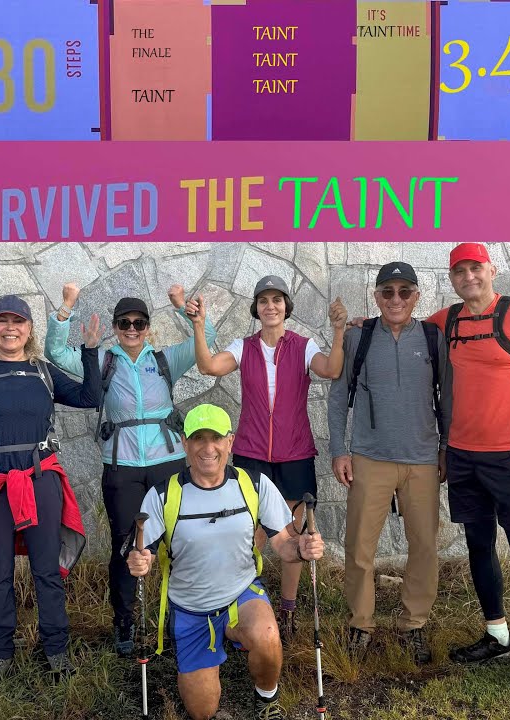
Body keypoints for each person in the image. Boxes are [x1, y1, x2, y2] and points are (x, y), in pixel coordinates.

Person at [426, 242, 510, 696]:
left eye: (476, 268)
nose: (468, 277)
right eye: (459, 271)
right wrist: (361, 326)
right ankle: (498, 637)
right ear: (452, 278)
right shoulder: (447, 321)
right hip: (463, 456)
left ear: (492, 270)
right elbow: (403, 328)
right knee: (479, 547)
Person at [45, 281, 215, 657]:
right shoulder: (103, 361)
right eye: (125, 323)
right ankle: (124, 622)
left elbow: (208, 339)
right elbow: (54, 352)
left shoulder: (165, 360)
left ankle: (184, 617)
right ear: (116, 327)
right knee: (126, 545)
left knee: (179, 540)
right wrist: (66, 307)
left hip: (168, 463)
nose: (132, 329)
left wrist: (182, 306)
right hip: (122, 467)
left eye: (139, 323)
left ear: (148, 327)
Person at [127, 404, 326, 720]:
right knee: (202, 710)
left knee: (267, 636)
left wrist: (302, 548)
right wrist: (140, 562)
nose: (208, 448)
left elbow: (283, 545)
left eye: (216, 438)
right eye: (199, 438)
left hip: (240, 594)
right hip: (191, 608)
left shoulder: (254, 484)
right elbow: (142, 553)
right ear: (185, 443)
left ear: (230, 442)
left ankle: (266, 699)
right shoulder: (163, 495)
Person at [0, 294, 100, 679]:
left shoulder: (43, 372)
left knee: (46, 570)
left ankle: (56, 652)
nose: (10, 328)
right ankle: (0, 654)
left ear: (29, 330)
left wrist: (91, 351)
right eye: (2, 321)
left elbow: (90, 397)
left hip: (39, 479)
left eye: (18, 321)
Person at [190, 276, 346, 639]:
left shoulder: (303, 346)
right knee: (251, 534)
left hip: (295, 454)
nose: (270, 306)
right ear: (257, 308)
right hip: (251, 453)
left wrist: (338, 330)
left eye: (277, 300)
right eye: (264, 300)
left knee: (293, 532)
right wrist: (198, 325)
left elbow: (331, 369)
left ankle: (288, 609)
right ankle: (241, 605)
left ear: (286, 307)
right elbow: (209, 366)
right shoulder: (243, 347)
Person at [326, 262, 445, 662]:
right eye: (388, 292)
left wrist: (446, 449)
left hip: (422, 460)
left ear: (416, 296)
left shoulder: (432, 338)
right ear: (376, 296)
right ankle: (361, 624)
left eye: (404, 291)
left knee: (424, 546)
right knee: (360, 547)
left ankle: (414, 625)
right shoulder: (358, 337)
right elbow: (339, 396)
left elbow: (447, 397)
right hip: (369, 458)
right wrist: (339, 450)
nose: (396, 299)